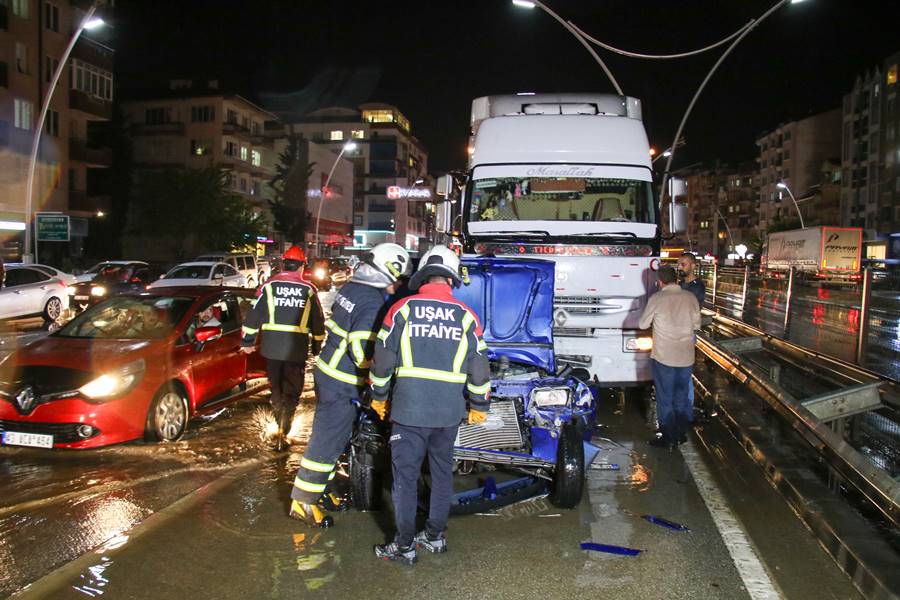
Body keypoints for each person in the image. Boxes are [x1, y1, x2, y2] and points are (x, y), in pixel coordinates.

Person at [368, 245, 491, 566]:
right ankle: (435, 536)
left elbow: (382, 361)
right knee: (441, 475)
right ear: (451, 279)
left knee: (406, 479)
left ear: (422, 275)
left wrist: (379, 398)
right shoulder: (467, 316)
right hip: (448, 414)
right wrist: (479, 404)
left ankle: (404, 546)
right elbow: (479, 367)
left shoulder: (402, 309)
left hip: (409, 411)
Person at [288, 243, 412, 529]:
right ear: (388, 272)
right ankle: (303, 501)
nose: (398, 284)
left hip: (329, 373)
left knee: (338, 437)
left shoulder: (352, 288)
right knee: (327, 440)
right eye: (398, 278)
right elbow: (361, 352)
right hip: (341, 382)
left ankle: (323, 492)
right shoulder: (371, 301)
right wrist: (389, 369)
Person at [241, 245, 325, 450]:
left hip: (271, 348)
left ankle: (278, 417)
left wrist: (247, 342)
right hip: (296, 349)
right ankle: (285, 425)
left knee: (276, 387)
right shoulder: (308, 290)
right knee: (293, 389)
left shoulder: (269, 287)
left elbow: (253, 316)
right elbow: (318, 321)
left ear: (284, 265)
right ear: (301, 267)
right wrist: (316, 345)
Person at [638, 265, 700, 451]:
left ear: (660, 281)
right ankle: (680, 434)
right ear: (676, 279)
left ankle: (668, 438)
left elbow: (643, 324)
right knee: (681, 397)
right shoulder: (690, 298)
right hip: (686, 356)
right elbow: (696, 324)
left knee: (665, 398)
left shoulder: (657, 298)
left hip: (664, 357)